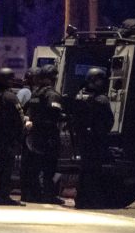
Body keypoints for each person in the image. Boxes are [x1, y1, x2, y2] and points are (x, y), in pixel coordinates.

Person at [73, 67, 115, 209]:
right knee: (94, 171)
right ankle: (91, 201)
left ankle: (81, 200)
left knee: (84, 170)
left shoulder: (79, 96)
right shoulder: (101, 99)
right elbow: (109, 121)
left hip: (82, 139)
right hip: (96, 141)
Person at [24, 64, 65, 205]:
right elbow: (54, 116)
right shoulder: (52, 95)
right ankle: (48, 195)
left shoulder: (36, 94)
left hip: (35, 136)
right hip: (48, 136)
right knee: (49, 167)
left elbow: (30, 113)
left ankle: (34, 194)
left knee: (35, 166)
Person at [0, 67, 26, 206]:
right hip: (9, 136)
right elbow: (19, 117)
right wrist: (21, 132)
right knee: (7, 167)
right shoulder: (9, 97)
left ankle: (0, 195)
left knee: (2, 166)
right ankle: (3, 196)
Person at [18, 67, 41, 202]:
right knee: (28, 164)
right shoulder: (26, 92)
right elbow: (17, 110)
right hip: (27, 133)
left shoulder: (34, 92)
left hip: (32, 133)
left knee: (31, 165)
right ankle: (27, 193)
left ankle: (30, 192)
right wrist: (27, 120)